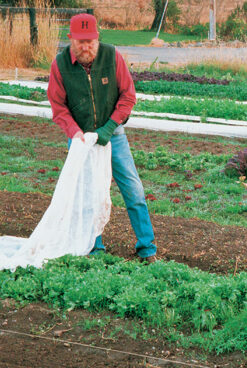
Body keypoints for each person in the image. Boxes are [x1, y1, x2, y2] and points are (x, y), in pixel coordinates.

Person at [47, 13, 157, 263]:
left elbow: (127, 96)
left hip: (113, 135)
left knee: (133, 189)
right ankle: (94, 248)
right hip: (81, 138)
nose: (85, 47)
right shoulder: (60, 65)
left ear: (97, 39)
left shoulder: (112, 56)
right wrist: (76, 134)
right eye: (80, 42)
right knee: (87, 194)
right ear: (70, 39)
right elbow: (58, 107)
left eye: (90, 41)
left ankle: (146, 248)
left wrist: (108, 129)